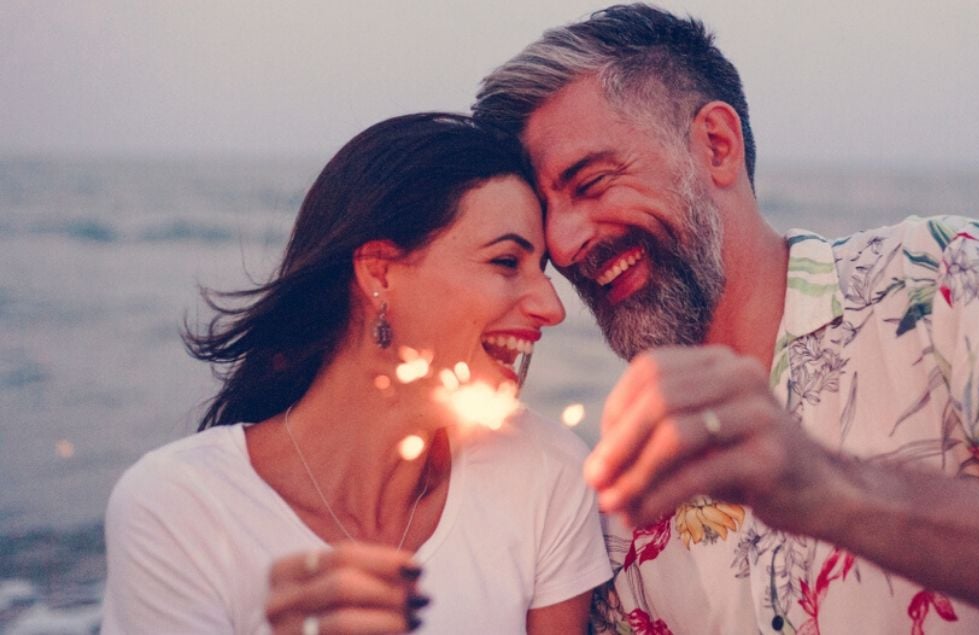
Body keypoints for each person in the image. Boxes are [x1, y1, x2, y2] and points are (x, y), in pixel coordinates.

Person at [473, 4, 979, 633]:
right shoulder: (628, 492)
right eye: (548, 216)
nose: (564, 245)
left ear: (716, 146)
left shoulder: (938, 285)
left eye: (593, 182)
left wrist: (830, 489)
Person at [101, 113, 613, 634]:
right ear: (379, 272)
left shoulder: (545, 472)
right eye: (507, 262)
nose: (551, 307)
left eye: (543, 273)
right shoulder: (179, 507)